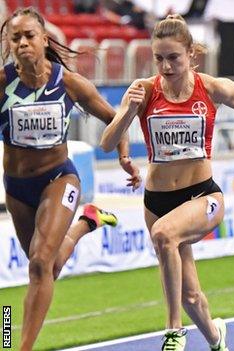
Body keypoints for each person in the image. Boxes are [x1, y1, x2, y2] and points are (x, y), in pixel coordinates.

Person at [100, 14, 234, 351]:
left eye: (174, 58)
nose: (166, 66)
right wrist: (128, 111)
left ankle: (173, 331)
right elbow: (107, 143)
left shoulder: (210, 87)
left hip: (202, 196)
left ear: (191, 55)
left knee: (163, 235)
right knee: (190, 295)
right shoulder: (143, 91)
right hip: (156, 202)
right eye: (159, 58)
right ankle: (217, 340)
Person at [0, 7, 140, 351]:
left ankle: (20, 348)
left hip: (58, 179)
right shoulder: (3, 84)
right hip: (17, 187)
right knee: (46, 269)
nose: (22, 43)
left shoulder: (69, 83)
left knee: (38, 265)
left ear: (44, 39)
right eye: (14, 37)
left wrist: (124, 155)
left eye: (28, 36)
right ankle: (85, 224)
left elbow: (115, 118)